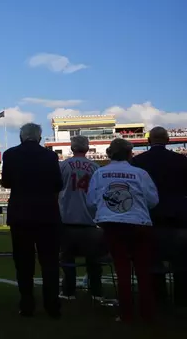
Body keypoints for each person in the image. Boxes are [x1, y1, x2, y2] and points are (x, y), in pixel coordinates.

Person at [87, 138, 158, 323]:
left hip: (113, 224)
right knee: (143, 270)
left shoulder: (100, 173)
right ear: (129, 154)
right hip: (139, 223)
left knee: (122, 271)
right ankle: (147, 314)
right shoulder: (140, 173)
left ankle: (126, 314)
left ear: (110, 153)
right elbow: (153, 200)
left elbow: (91, 202)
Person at [1, 123, 63, 318]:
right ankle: (52, 306)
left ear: (21, 136)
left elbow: (6, 182)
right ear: (39, 137)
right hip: (47, 215)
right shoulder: (50, 156)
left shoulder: (10, 154)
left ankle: (27, 305)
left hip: (21, 215)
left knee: (23, 263)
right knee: (50, 263)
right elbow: (58, 184)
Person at [130, 126, 187, 306]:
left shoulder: (138, 162)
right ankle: (181, 298)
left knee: (153, 261)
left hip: (149, 217)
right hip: (178, 217)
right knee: (181, 262)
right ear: (168, 140)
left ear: (148, 141)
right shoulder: (181, 161)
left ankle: (158, 298)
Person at [58, 136, 105, 301]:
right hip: (90, 221)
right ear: (87, 148)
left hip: (67, 219)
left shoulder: (63, 166)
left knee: (67, 259)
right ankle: (96, 292)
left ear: (72, 148)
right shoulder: (95, 167)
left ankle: (68, 291)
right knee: (94, 261)